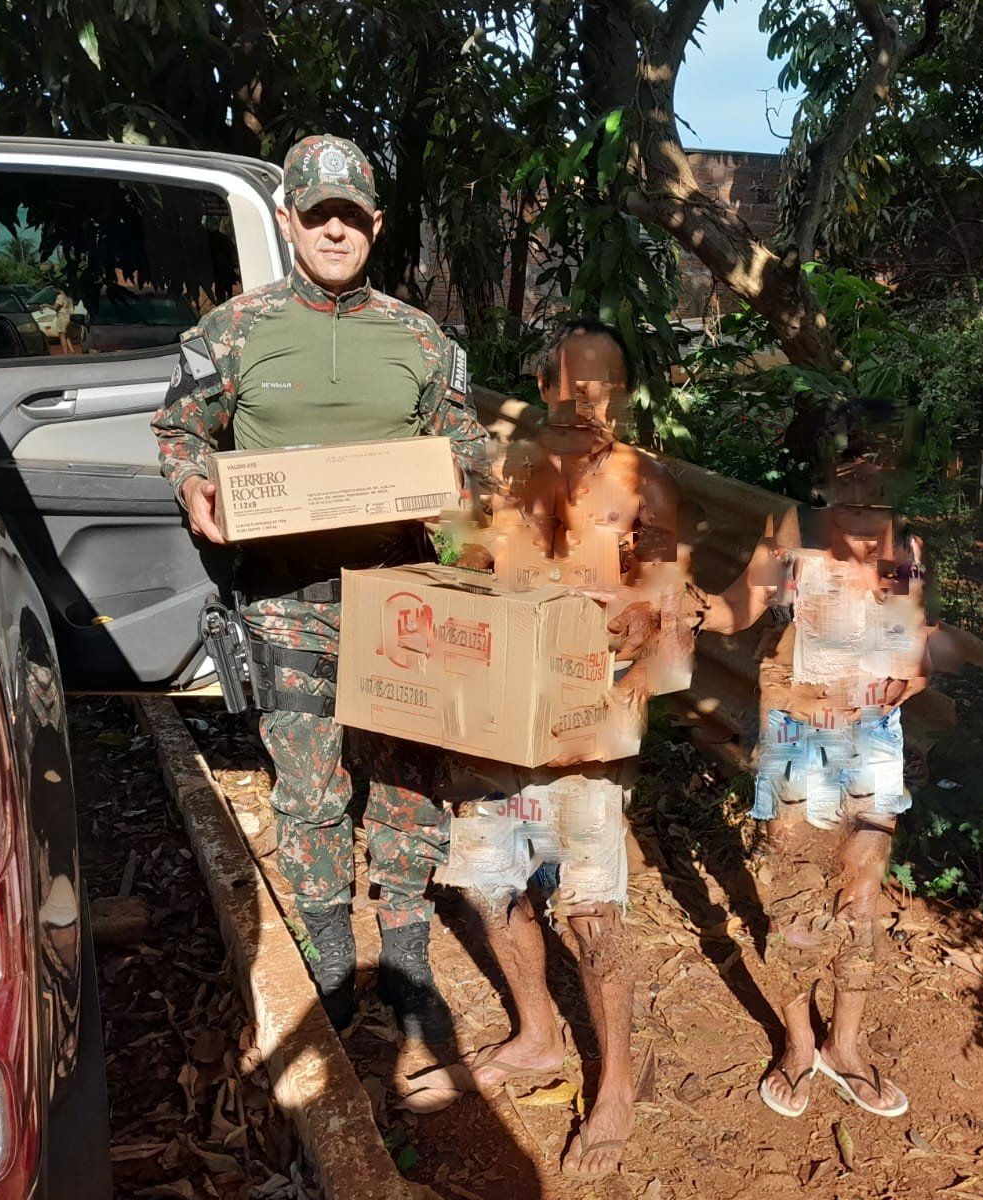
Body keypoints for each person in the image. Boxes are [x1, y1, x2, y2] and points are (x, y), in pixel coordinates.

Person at [151, 136, 489, 1065]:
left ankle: (409, 959)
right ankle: (334, 961)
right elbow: (181, 428)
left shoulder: (424, 338)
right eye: (317, 214)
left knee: (410, 777)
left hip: (399, 595)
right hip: (282, 597)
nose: (334, 229)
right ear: (288, 220)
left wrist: (459, 482)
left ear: (374, 225)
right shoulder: (233, 331)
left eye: (351, 215)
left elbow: (467, 444)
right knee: (308, 788)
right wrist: (195, 487)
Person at [434, 319, 699, 1179]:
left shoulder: (645, 485)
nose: (585, 400)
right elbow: (455, 571)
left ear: (623, 393)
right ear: (541, 385)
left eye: (604, 384)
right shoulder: (503, 472)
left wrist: (635, 648)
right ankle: (540, 1033)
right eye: (568, 383)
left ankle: (616, 1081)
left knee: (592, 914)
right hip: (492, 730)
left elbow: (671, 619)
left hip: (586, 736)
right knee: (490, 886)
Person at [700, 400, 982, 1123]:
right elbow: (739, 607)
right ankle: (798, 1044)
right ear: (824, 469)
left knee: (861, 894)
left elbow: (918, 657)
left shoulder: (907, 550)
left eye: (878, 459)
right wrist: (680, 604)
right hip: (795, 731)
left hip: (873, 739)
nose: (862, 475)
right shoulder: (793, 533)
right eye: (848, 460)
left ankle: (844, 1047)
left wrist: (900, 680)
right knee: (794, 896)